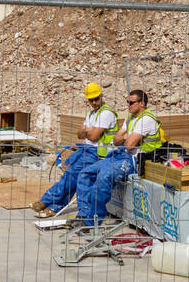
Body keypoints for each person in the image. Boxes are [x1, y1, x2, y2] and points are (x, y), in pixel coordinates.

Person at [76, 88, 165, 227]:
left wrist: (124, 138)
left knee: (104, 177)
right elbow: (117, 139)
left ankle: (93, 220)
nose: (128, 105)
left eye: (131, 102)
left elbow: (129, 145)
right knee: (84, 173)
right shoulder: (131, 118)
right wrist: (125, 137)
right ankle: (83, 214)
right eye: (127, 102)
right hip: (121, 155)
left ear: (142, 103)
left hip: (136, 160)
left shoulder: (146, 119)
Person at [31, 82, 118, 218]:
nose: (94, 102)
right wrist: (88, 131)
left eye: (96, 99)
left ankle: (47, 201)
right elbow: (79, 133)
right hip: (87, 150)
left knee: (70, 176)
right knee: (70, 178)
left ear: (102, 95)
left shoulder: (106, 113)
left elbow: (94, 136)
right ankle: (52, 206)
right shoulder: (92, 114)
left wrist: (87, 131)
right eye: (91, 100)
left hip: (97, 153)